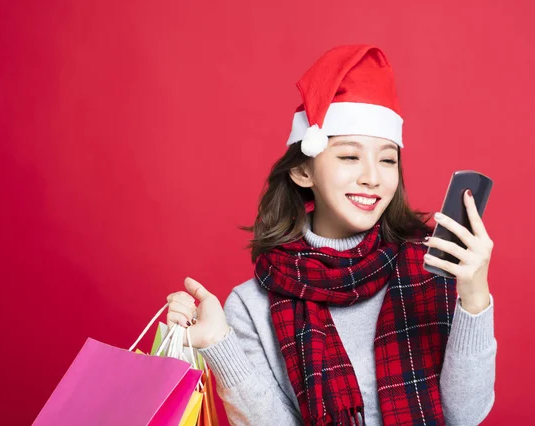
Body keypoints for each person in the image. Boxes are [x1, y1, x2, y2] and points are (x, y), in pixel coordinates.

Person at [166, 45, 496, 426]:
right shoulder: (250, 306)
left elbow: (465, 416)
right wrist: (217, 345)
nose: (372, 176)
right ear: (303, 171)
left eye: (387, 159)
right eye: (349, 157)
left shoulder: (428, 268)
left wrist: (475, 299)